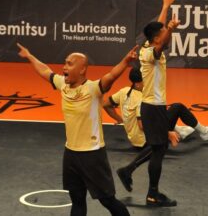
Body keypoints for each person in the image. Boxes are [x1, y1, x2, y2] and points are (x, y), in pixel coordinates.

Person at [17, 42, 138, 216]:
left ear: (82, 69)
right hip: (71, 154)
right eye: (65, 63)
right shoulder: (63, 85)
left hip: (93, 155)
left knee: (107, 200)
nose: (64, 67)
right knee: (77, 200)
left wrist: (125, 61)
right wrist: (29, 55)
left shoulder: (93, 89)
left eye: (69, 64)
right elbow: (45, 71)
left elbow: (111, 76)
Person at [138, 0, 208, 207]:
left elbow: (158, 34)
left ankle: (146, 186)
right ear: (156, 38)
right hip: (152, 107)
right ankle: (152, 194)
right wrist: (170, 28)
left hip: (153, 107)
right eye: (161, 34)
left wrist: (165, 6)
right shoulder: (151, 52)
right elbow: (162, 43)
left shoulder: (149, 43)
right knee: (158, 151)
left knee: (159, 148)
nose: (163, 35)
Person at [103, 67, 208, 193]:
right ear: (138, 83)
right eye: (146, 79)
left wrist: (121, 119)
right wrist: (166, 133)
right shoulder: (141, 99)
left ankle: (181, 131)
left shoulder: (124, 91)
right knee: (178, 107)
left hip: (135, 139)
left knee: (159, 110)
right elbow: (143, 125)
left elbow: (106, 104)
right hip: (146, 140)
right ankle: (205, 133)